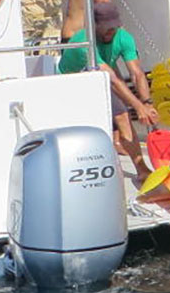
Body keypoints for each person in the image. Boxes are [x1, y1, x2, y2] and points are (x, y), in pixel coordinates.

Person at [58, 11, 157, 172]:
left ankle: (142, 170)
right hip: (71, 83)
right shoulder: (84, 41)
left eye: (114, 27)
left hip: (100, 75)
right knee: (92, 124)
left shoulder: (124, 37)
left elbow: (136, 73)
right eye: (107, 28)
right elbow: (112, 80)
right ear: (95, 26)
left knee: (123, 116)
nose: (111, 31)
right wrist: (139, 108)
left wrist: (147, 103)